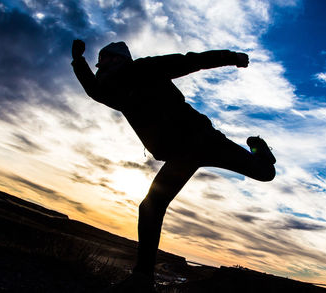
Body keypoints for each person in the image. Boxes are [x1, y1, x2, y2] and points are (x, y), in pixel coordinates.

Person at [71, 39, 276, 292]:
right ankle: (142, 279)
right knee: (150, 206)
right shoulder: (114, 92)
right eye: (99, 62)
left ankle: (257, 147)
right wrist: (78, 61)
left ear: (119, 59)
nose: (101, 65)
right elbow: (93, 89)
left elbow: (191, 61)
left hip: (202, 138)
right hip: (181, 155)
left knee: (265, 173)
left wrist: (231, 57)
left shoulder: (144, 69)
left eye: (105, 60)